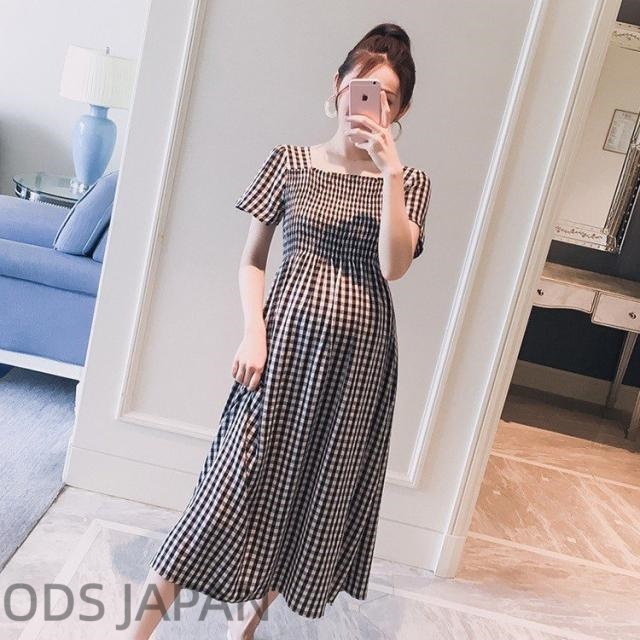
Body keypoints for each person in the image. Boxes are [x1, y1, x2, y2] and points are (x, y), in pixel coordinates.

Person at [125, 21, 431, 640]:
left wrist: (392, 176)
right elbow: (252, 260)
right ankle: (135, 634)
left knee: (310, 496)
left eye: (389, 98)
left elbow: (393, 268)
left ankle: (243, 630)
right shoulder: (289, 163)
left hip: (360, 365)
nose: (371, 105)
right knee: (222, 493)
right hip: (282, 347)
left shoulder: (411, 184)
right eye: (363, 88)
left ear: (400, 112)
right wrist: (252, 331)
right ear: (338, 86)